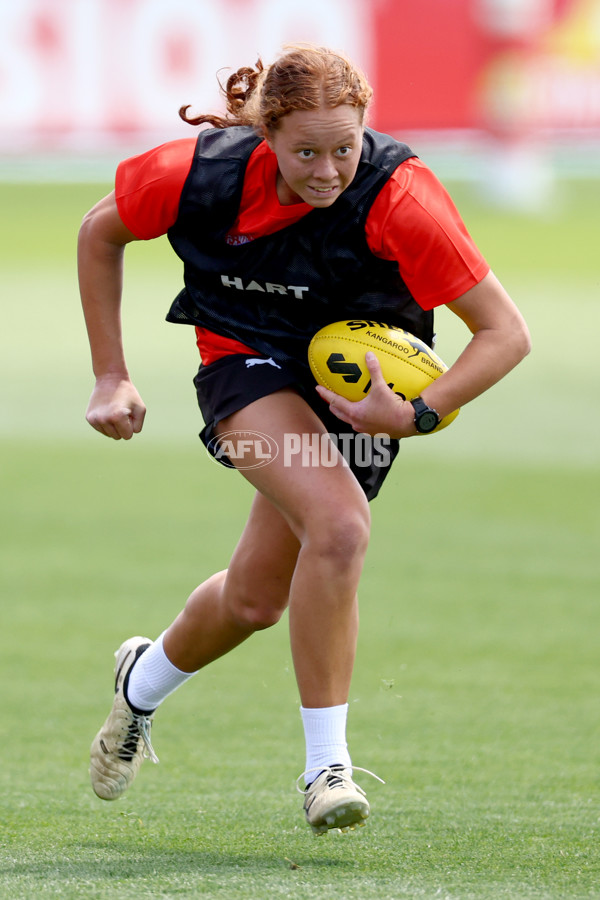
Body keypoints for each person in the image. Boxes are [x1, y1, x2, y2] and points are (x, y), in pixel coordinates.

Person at [78, 44, 530, 835]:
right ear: (267, 137)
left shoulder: (403, 198)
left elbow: (504, 335)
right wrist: (110, 373)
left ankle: (138, 687)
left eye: (345, 149)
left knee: (255, 599)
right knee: (341, 525)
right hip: (243, 362)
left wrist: (419, 413)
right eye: (306, 153)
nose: (327, 171)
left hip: (359, 391)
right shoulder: (198, 174)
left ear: (367, 131)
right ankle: (328, 768)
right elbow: (98, 232)